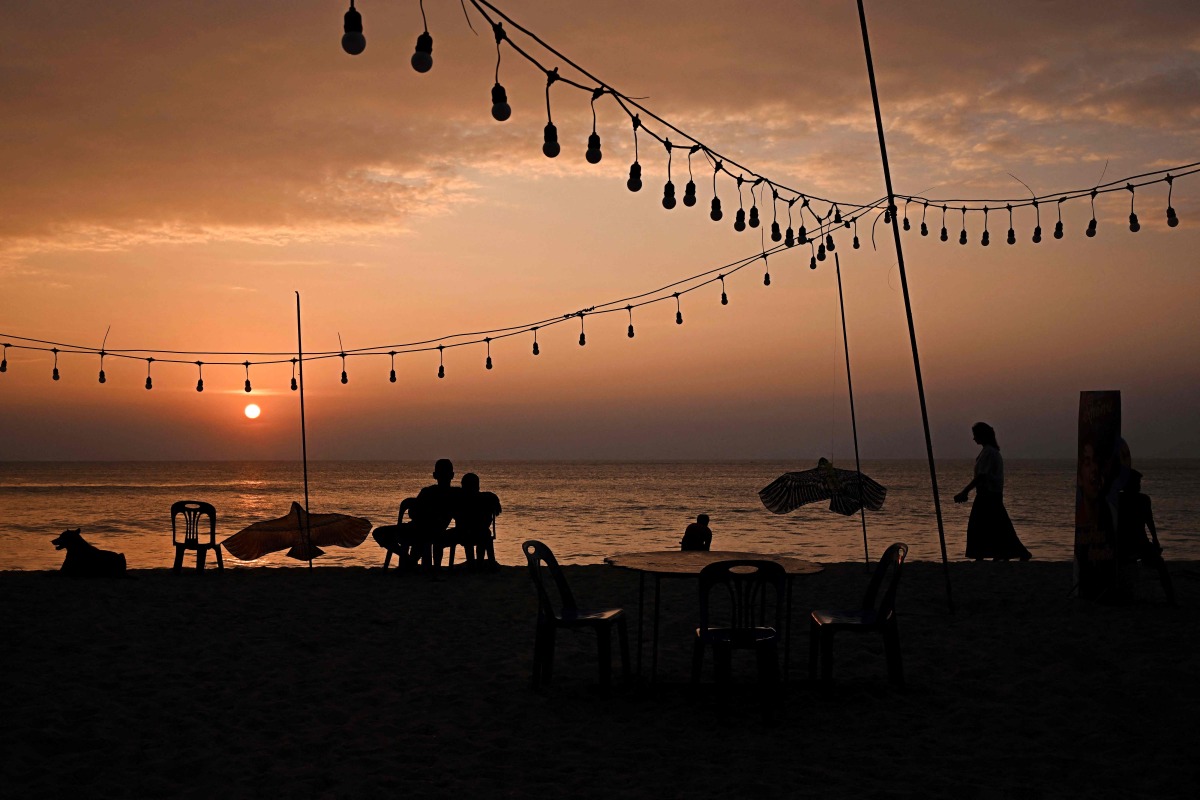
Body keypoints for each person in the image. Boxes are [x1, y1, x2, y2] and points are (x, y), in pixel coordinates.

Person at [954, 422, 1031, 561]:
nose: (974, 438)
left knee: (981, 527)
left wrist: (965, 491)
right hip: (989, 494)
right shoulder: (988, 452)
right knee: (996, 526)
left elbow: (982, 476)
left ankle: (988, 554)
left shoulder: (989, 452)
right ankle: (1001, 553)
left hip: (989, 495)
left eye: (975, 435)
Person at [454, 472, 502, 569]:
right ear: (478, 486)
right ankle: (481, 562)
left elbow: (456, 517)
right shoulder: (487, 498)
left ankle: (472, 563)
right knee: (484, 534)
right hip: (482, 532)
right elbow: (494, 512)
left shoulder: (460, 499)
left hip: (466, 533)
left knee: (472, 537)